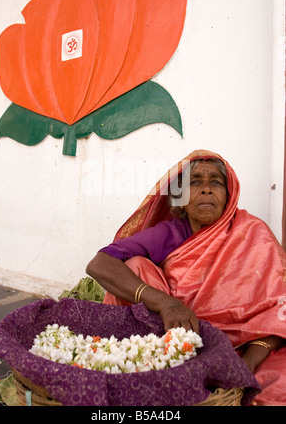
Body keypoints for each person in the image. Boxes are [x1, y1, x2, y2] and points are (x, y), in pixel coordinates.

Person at [87, 149, 286, 405]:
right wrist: (165, 303)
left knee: (275, 386)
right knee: (136, 266)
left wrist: (245, 363)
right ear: (180, 197)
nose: (206, 190)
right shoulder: (169, 234)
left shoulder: (252, 234)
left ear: (229, 195)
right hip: (175, 338)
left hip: (246, 348)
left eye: (215, 182)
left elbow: (278, 310)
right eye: (195, 182)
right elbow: (99, 264)